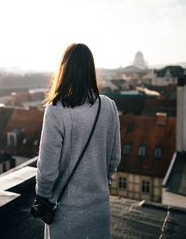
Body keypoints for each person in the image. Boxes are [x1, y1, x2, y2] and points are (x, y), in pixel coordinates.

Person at [35, 43, 121, 239]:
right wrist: (101, 182)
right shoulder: (108, 106)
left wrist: (44, 198)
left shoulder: (56, 110)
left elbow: (47, 169)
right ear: (91, 70)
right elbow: (115, 158)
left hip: (66, 213)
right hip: (99, 209)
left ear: (64, 69)